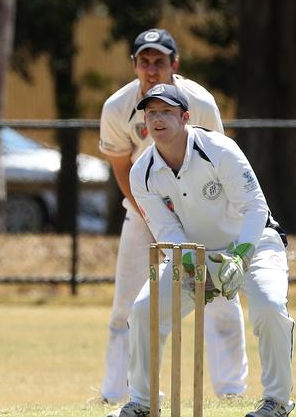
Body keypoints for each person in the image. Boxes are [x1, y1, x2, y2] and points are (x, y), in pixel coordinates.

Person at [108, 83, 294, 417]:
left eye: (166, 111)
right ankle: (142, 402)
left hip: (254, 246)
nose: (157, 119)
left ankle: (277, 401)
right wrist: (194, 265)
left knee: (268, 306)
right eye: (151, 113)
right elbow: (166, 230)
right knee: (143, 310)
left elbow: (255, 209)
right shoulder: (142, 173)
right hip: (192, 252)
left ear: (185, 116)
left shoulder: (219, 150)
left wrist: (240, 256)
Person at [98, 28, 248, 404]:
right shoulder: (118, 107)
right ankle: (118, 391)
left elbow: (218, 159)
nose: (151, 70)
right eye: (144, 62)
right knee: (128, 304)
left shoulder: (199, 102)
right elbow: (120, 164)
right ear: (134, 65)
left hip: (201, 215)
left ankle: (231, 390)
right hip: (142, 211)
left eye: (159, 62)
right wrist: (149, 213)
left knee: (221, 298)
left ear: (174, 65)